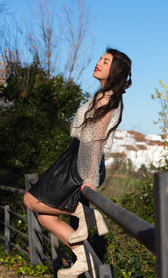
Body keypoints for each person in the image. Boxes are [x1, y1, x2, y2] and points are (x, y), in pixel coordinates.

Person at [24, 48, 132, 278]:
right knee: (45, 216)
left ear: (115, 70)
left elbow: (96, 140)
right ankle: (83, 258)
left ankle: (85, 214)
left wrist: (90, 177)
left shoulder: (107, 98)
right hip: (74, 156)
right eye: (100, 59)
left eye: (105, 61)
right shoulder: (101, 95)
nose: (98, 63)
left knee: (31, 200)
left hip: (81, 161)